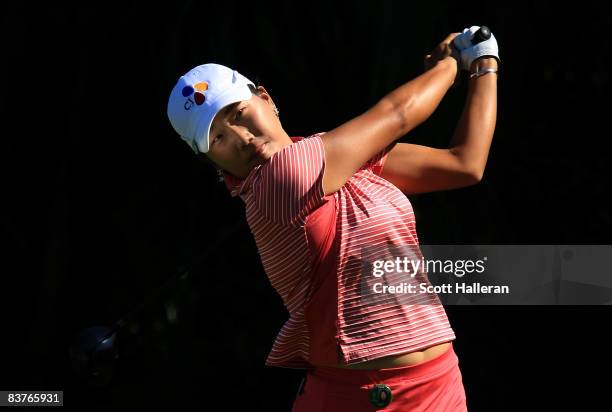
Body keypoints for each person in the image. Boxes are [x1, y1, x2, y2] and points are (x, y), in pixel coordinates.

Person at [167, 25, 499, 411]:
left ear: (265, 98)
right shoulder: (279, 181)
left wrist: (483, 65)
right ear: (211, 161)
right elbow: (398, 113)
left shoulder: (341, 156)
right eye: (219, 138)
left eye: (239, 113)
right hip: (359, 398)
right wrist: (449, 64)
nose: (242, 138)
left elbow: (464, 164)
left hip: (439, 385)